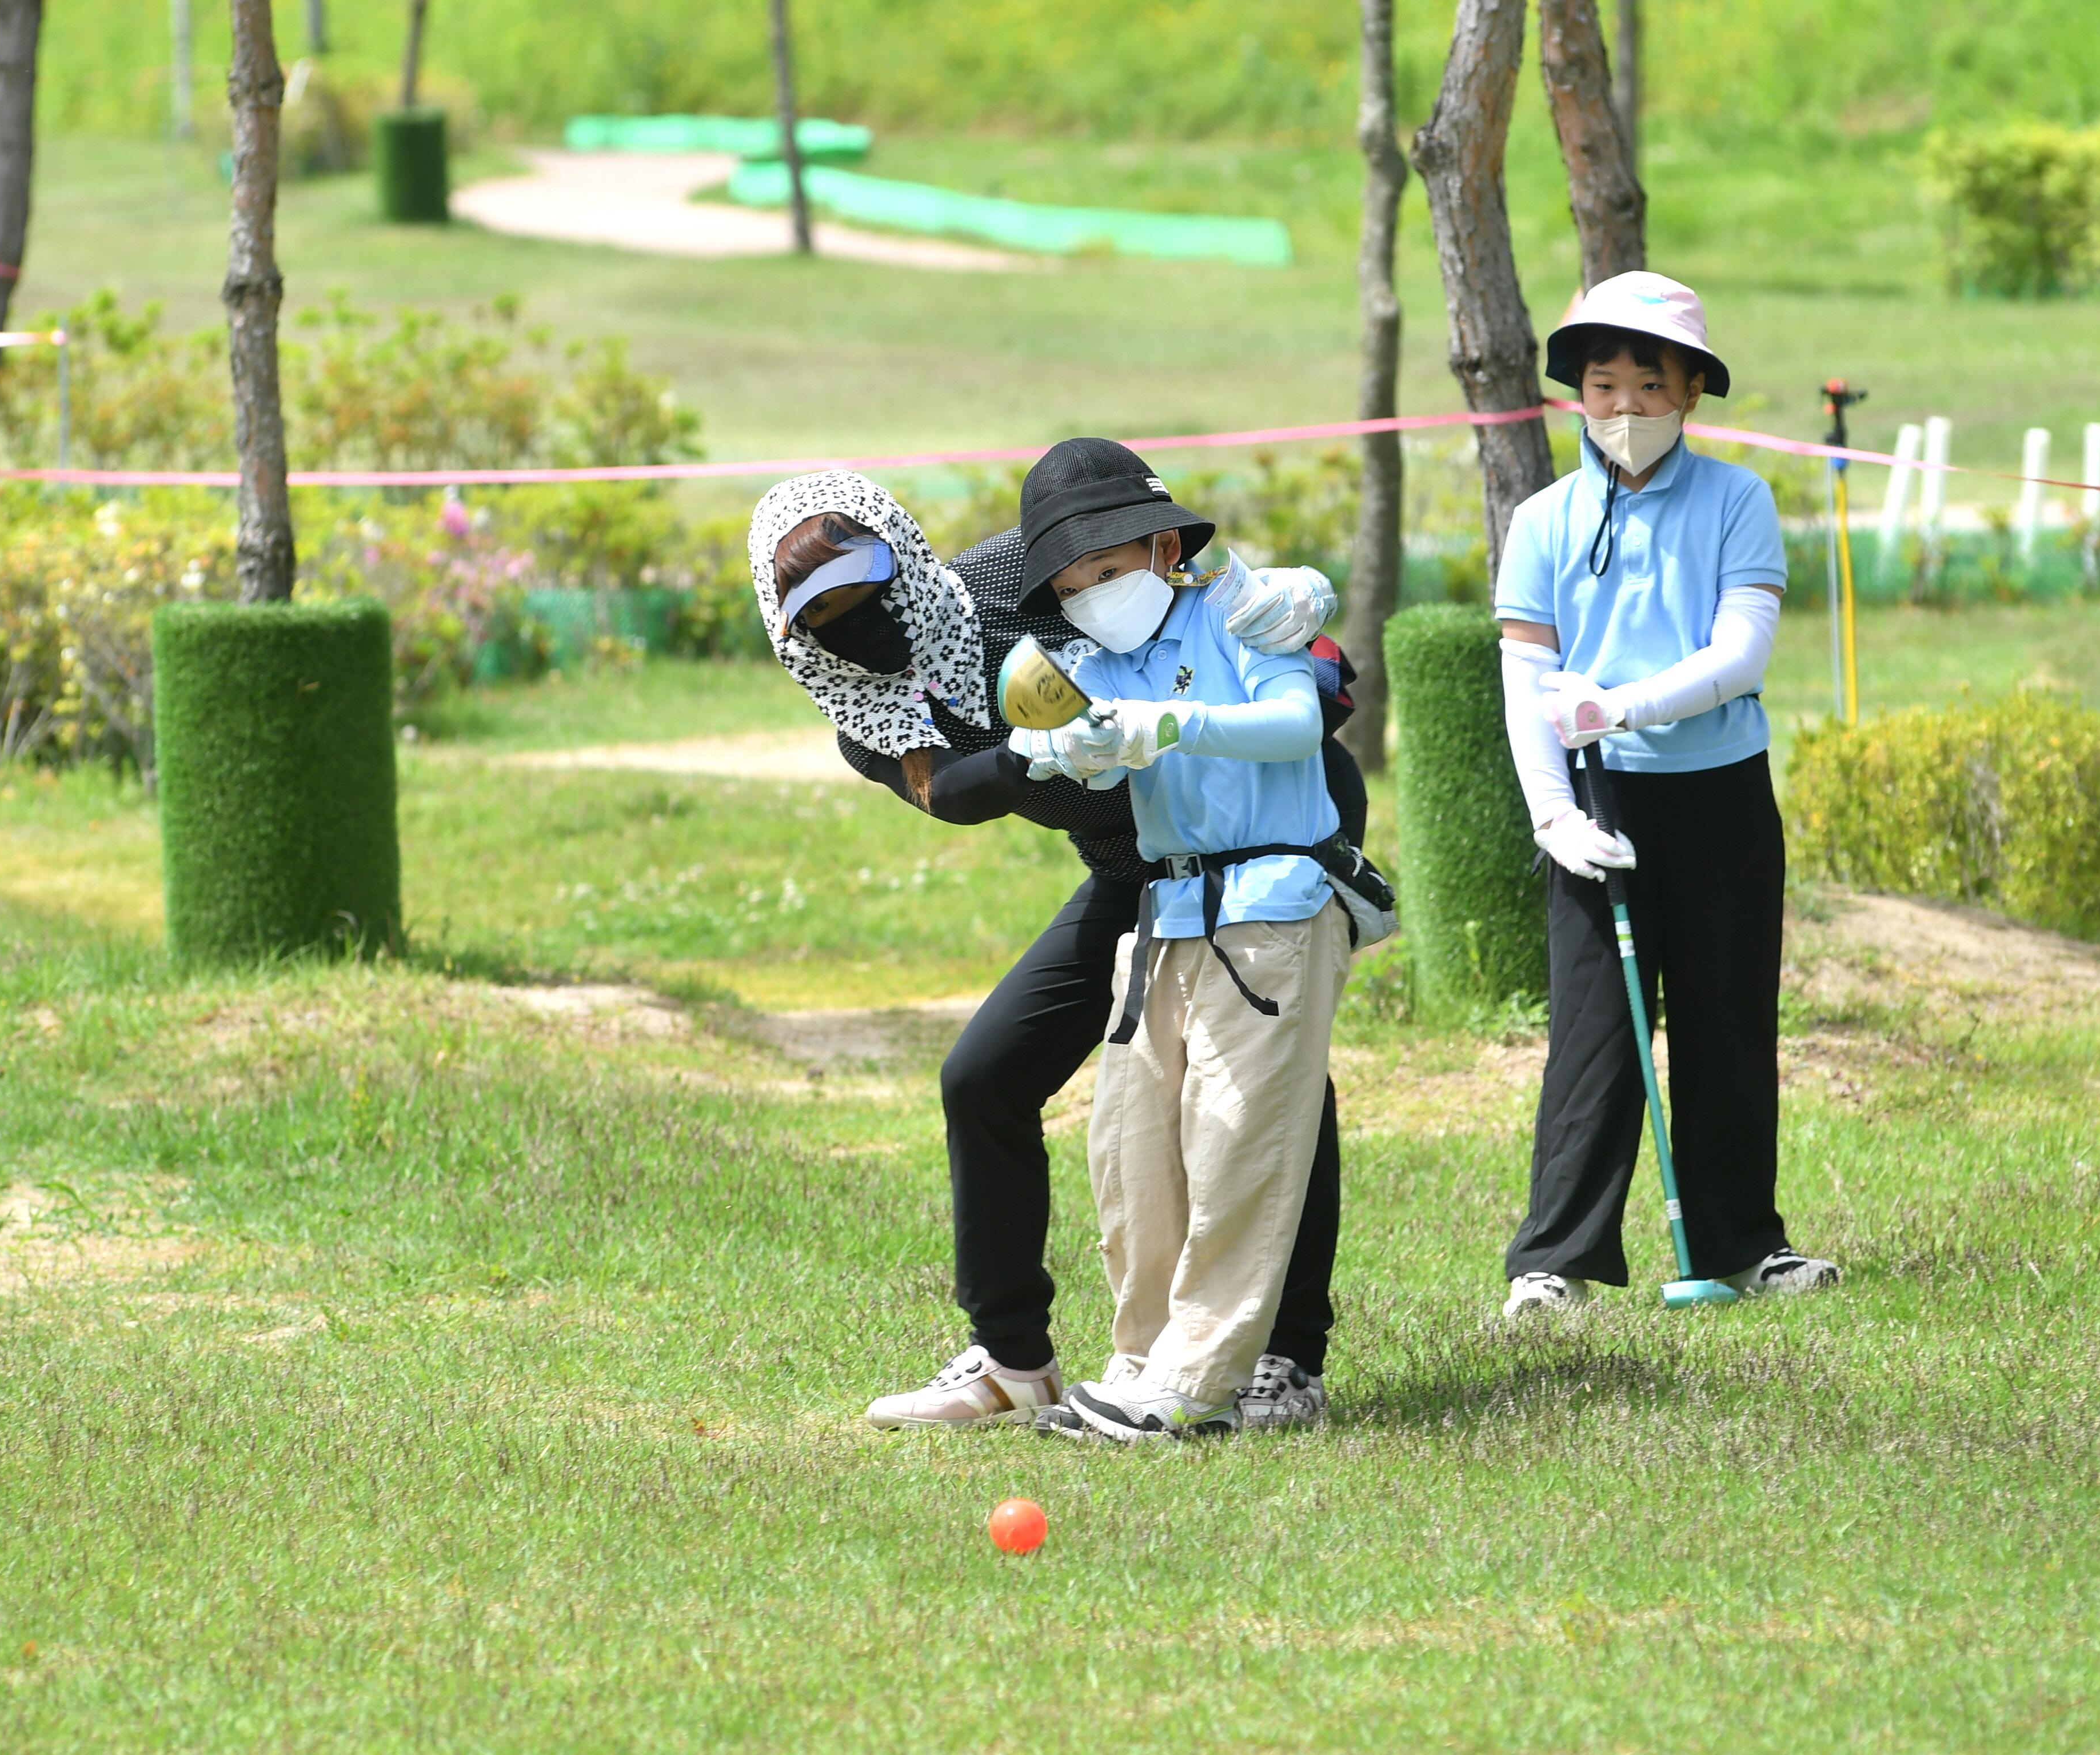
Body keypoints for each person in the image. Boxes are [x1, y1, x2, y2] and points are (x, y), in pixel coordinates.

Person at [743, 470, 1359, 1429]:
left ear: (904, 555)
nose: (865, 628)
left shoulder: (1007, 577)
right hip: (1139, 865)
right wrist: (1034, 754)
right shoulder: (869, 716)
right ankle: (1012, 1360)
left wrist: (1296, 620)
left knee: (1268, 1089)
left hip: (1266, 821)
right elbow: (947, 791)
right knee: (983, 1078)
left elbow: (1180, 603)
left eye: (874, 594)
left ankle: (1286, 1361)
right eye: (831, 621)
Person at [1491, 271, 1841, 1317]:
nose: (1627, 408)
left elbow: (1740, 655)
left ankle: (1741, 1245)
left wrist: (1627, 706)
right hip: (1599, 804)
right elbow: (1524, 676)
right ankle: (1557, 1259)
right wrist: (1552, 814)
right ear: (1577, 397)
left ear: (1692, 391)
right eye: (1605, 386)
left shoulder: (1739, 500)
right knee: (1596, 1034)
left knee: (1728, 1025)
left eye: (1652, 384)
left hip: (1720, 795)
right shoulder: (1544, 519)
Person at [1013, 439, 1372, 1442]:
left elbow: (1294, 727)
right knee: (1130, 1151)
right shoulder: (1087, 664)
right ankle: (1138, 1365)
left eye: (1108, 568)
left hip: (1273, 907)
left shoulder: (1248, 608)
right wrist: (1067, 752)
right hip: (1165, 916)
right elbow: (1080, 755)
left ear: (1163, 546)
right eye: (1073, 582)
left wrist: (1167, 724)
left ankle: (1197, 1387)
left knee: (1235, 1148)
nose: (1092, 592)